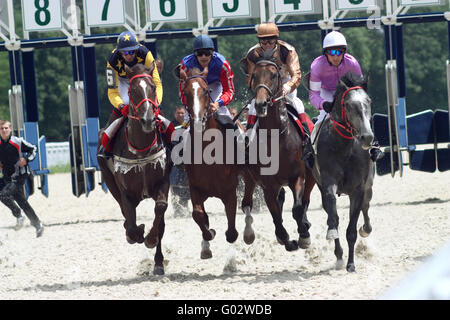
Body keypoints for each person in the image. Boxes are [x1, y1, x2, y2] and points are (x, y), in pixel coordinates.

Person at [303, 30, 384, 168]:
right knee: (323, 116)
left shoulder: (352, 63)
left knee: (361, 110)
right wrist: (323, 104)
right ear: (326, 53)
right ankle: (311, 151)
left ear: (344, 52)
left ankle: (373, 146)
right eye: (332, 53)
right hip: (326, 91)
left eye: (339, 52)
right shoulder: (317, 66)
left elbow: (360, 88)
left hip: (347, 91)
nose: (336, 56)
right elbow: (314, 94)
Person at [99, 30, 173, 158]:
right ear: (119, 52)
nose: (129, 55)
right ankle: (106, 147)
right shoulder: (112, 61)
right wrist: (121, 106)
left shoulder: (146, 54)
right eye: (126, 52)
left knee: (156, 112)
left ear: (137, 49)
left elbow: (157, 83)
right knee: (122, 111)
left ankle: (171, 144)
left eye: (132, 51)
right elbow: (112, 91)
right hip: (123, 82)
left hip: (142, 80)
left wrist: (156, 103)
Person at [244, 22, 313, 139]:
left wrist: (287, 87)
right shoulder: (252, 54)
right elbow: (250, 77)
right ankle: (247, 140)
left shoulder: (287, 51)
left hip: (285, 80)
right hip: (264, 83)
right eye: (263, 42)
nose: (267, 45)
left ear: (276, 39)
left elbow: (296, 75)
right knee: (252, 107)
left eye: (271, 41)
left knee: (297, 104)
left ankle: (306, 138)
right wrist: (258, 89)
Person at [177, 34, 235, 128]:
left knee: (223, 114)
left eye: (207, 53)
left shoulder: (223, 64)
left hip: (215, 87)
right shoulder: (185, 65)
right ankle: (178, 139)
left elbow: (229, 91)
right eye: (200, 53)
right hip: (195, 90)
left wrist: (218, 104)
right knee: (188, 119)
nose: (203, 56)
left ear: (212, 53)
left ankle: (239, 137)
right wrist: (190, 106)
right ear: (195, 54)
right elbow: (183, 92)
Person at [0, 120, 44, 237]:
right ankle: (38, 224)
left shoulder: (18, 142)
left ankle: (19, 215)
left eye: (6, 128)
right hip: (7, 177)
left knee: (3, 195)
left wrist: (26, 159)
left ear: (10, 129)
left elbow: (34, 149)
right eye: (1, 129)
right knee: (22, 201)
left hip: (20, 175)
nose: (4, 130)